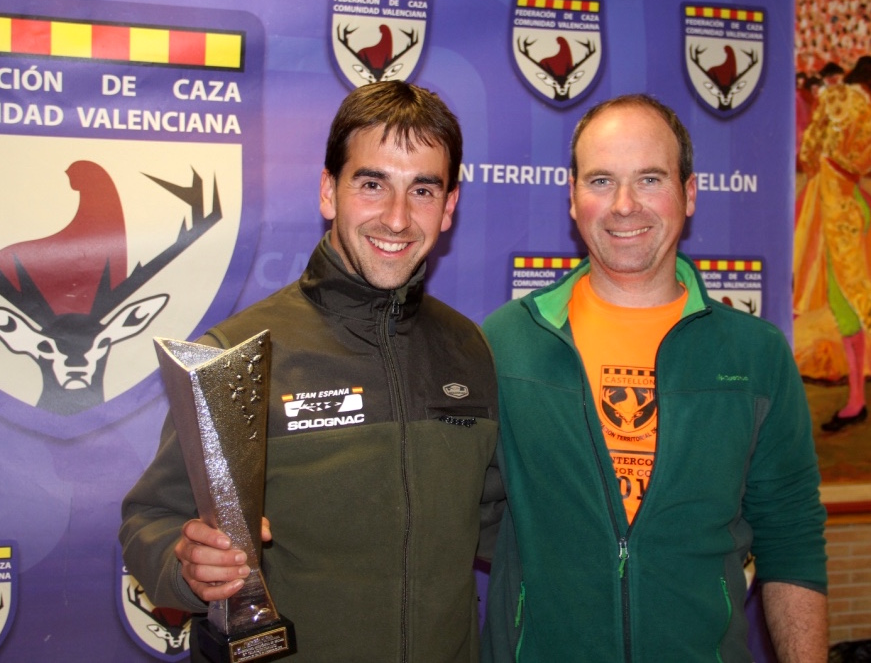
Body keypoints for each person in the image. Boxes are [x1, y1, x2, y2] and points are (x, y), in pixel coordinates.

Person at [120, 81, 502, 662]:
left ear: (449, 207)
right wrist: (187, 566)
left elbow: (502, 519)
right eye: (372, 184)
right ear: (329, 191)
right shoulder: (238, 357)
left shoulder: (469, 348)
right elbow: (153, 518)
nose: (397, 218)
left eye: (422, 190)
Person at [481, 94, 828, 662]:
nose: (624, 205)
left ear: (689, 194)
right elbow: (466, 509)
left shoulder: (757, 355)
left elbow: (791, 538)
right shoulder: (506, 343)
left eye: (649, 179)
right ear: (572, 197)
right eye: (601, 181)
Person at [795, 55, 871, 432]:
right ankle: (856, 396)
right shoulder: (858, 104)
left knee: (847, 303)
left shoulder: (838, 98)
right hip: (849, 204)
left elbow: (808, 153)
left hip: (834, 206)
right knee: (851, 300)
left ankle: (857, 399)